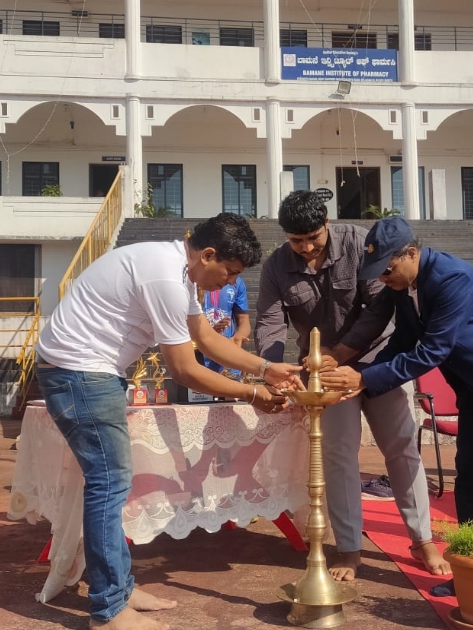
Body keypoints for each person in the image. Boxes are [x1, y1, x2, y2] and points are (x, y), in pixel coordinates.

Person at [35, 213, 303, 630]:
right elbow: (185, 369)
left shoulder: (177, 270)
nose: (229, 286)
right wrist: (253, 393)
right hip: (80, 374)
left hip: (87, 372)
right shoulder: (164, 276)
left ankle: (119, 589)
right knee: (109, 486)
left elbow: (206, 338)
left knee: (112, 486)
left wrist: (266, 369)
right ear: (208, 254)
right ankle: (108, 611)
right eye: (229, 273)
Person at [319, 216, 473, 609]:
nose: (384, 279)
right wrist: (363, 373)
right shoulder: (405, 283)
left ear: (411, 253)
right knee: (468, 477)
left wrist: (363, 382)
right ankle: (470, 570)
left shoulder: (452, 279)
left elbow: (433, 351)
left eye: (388, 269)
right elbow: (403, 340)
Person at [253, 191, 449, 582]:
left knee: (402, 450)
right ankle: (348, 547)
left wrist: (341, 352)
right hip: (323, 373)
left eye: (313, 237)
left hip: (379, 361)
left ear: (328, 223)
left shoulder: (361, 243)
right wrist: (272, 366)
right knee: (339, 457)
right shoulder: (276, 266)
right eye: (296, 241)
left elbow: (380, 307)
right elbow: (269, 321)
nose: (306, 248)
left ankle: (422, 538)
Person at [201, 275, 251, 378]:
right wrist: (209, 332)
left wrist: (238, 337)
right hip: (199, 357)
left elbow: (244, 320)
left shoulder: (237, 282)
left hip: (227, 356)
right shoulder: (195, 280)